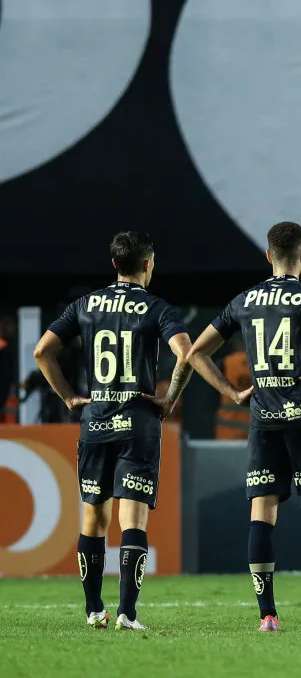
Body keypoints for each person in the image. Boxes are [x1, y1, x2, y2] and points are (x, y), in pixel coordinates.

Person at [186, 222, 301, 632]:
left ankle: (267, 615)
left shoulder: (245, 300)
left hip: (263, 416)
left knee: (262, 509)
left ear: (268, 256)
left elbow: (195, 353)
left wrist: (231, 392)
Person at [32, 231, 193, 631]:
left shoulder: (84, 305)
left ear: (114, 264)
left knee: (93, 520)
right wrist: (169, 397)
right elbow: (186, 352)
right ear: (146, 264)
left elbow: (42, 351)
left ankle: (93, 611)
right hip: (137, 421)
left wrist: (70, 398)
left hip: (96, 420)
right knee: (132, 519)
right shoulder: (156, 307)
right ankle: (127, 613)